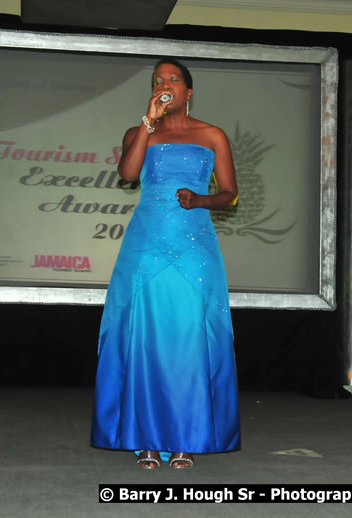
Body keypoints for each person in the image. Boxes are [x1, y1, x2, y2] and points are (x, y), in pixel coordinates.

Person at [91, 58, 241, 469]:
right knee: (144, 334)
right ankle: (147, 439)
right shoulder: (140, 131)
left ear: (189, 91)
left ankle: (186, 438)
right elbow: (127, 173)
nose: (165, 84)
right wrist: (147, 122)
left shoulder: (212, 135)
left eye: (173, 79)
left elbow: (229, 193)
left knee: (189, 336)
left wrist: (201, 200)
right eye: (159, 80)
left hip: (194, 244)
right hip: (147, 242)